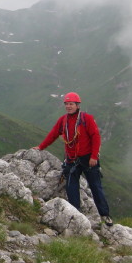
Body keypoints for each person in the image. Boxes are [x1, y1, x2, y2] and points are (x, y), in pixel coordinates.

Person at [34, 92, 113, 226]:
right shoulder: (63, 121)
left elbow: (96, 137)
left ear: (77, 105)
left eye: (71, 104)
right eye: (66, 104)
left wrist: (94, 156)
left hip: (88, 159)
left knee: (95, 186)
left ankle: (105, 214)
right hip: (71, 159)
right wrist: (41, 147)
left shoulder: (86, 119)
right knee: (71, 187)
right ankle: (76, 214)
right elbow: (53, 134)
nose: (68, 106)